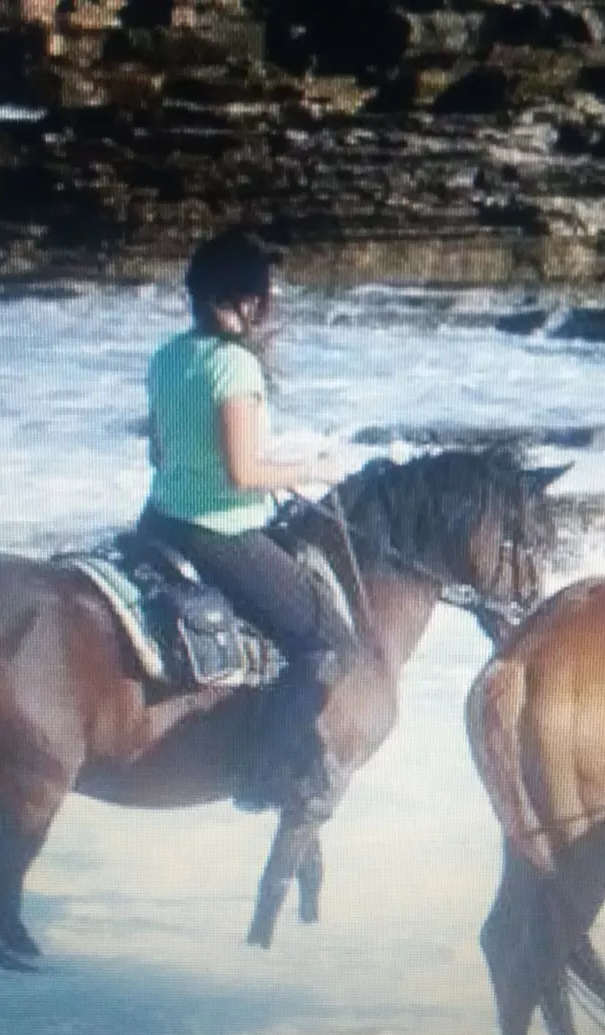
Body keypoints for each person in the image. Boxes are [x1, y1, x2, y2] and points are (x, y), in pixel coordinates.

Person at [136, 228, 357, 809]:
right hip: (220, 534)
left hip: (158, 521)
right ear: (244, 299)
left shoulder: (167, 356)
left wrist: (274, 461)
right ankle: (267, 773)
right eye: (262, 296)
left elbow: (162, 453)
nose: (265, 306)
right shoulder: (236, 367)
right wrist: (314, 468)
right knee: (325, 642)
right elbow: (241, 474)